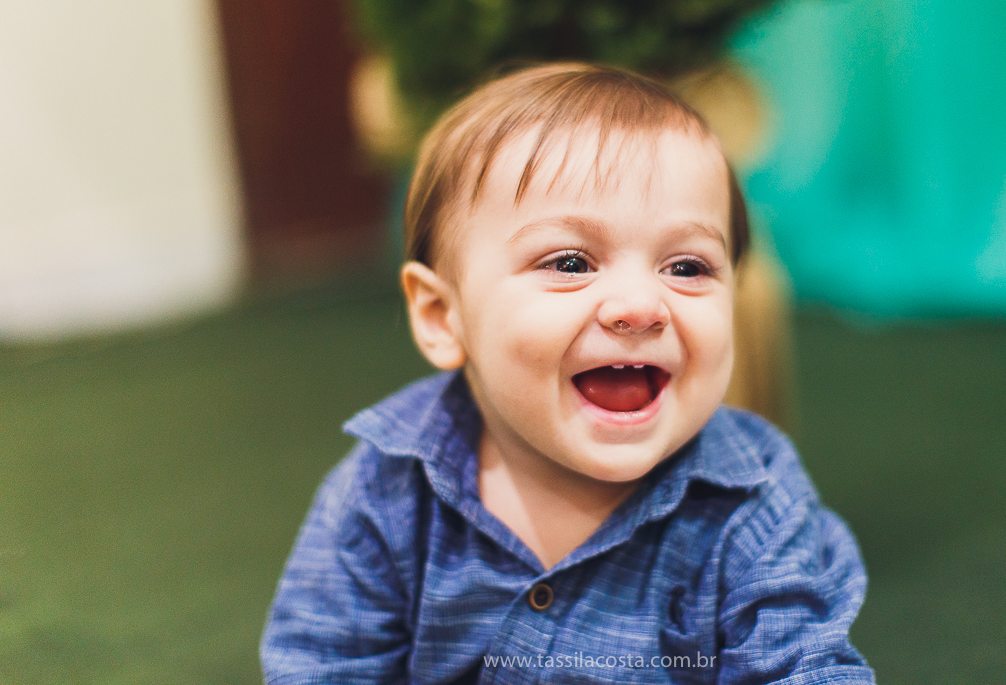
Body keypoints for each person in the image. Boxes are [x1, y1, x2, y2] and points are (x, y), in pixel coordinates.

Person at [261, 63, 875, 684]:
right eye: (571, 260)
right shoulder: (386, 491)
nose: (640, 306)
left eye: (687, 267)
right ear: (443, 316)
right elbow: (322, 667)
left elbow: (807, 668)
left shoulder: (752, 503)